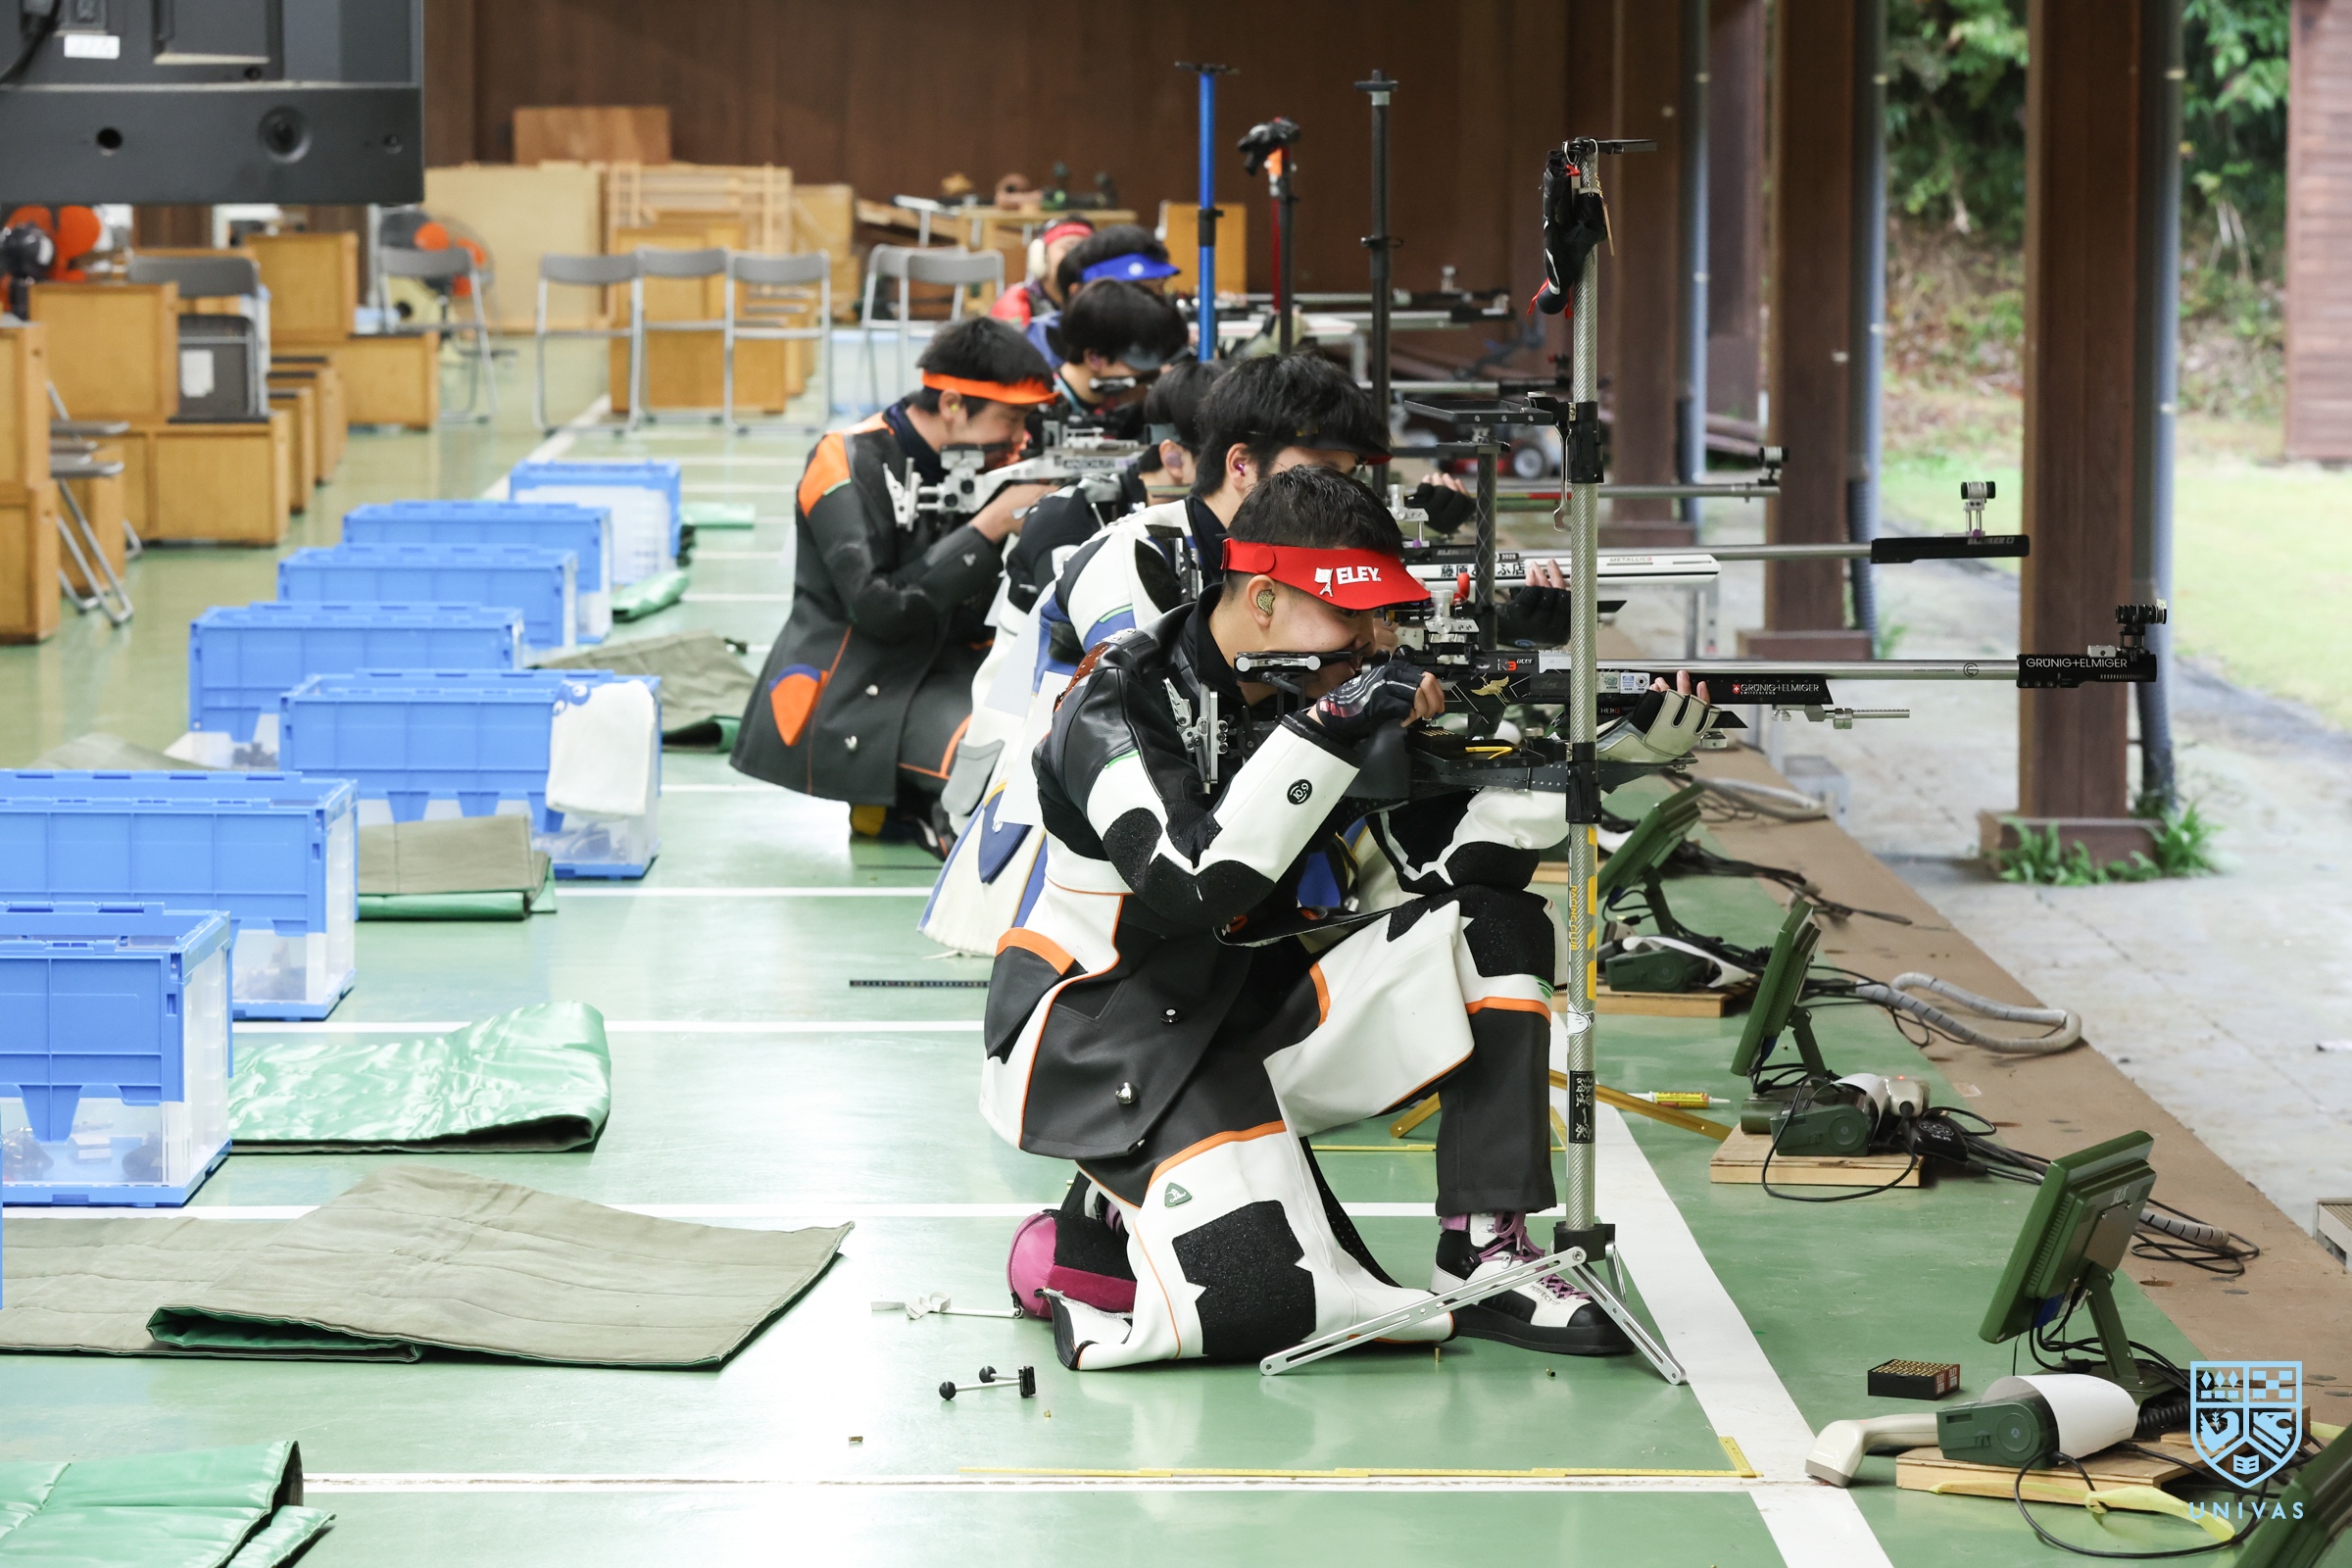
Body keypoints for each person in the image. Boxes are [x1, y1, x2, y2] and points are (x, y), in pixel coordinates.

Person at [981, 466, 1720, 1370]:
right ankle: (1097, 1224)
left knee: (1496, 923)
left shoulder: (1329, 694)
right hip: (1104, 1034)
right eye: (1352, 615)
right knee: (1263, 1301)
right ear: (1263, 600)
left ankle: (1485, 1252)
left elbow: (1453, 876)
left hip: (1248, 1005)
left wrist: (1617, 754)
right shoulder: (1118, 696)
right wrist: (1327, 729)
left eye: (1386, 616)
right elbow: (1188, 883)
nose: (1375, 640)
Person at [916, 353, 1381, 956]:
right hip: (1080, 855)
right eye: (1322, 470)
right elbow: (1152, 718)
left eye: (1349, 476)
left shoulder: (1267, 558)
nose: (1340, 493)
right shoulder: (1129, 556)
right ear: (1241, 464)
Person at [731, 317, 1059, 851]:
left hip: (948, 669)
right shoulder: (842, 459)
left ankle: (905, 805)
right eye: (1010, 418)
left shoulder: (993, 460)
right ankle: (908, 803)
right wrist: (992, 524)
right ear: (952, 404)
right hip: (861, 687)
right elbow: (876, 607)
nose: (1021, 438)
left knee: (1050, 741)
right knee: (1002, 764)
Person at [1045, 279, 1188, 432]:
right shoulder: (1040, 408)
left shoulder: (1128, 413)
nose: (1164, 373)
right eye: (1148, 374)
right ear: (1094, 358)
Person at [990, 216, 1095, 334]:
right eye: (1069, 248)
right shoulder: (1015, 304)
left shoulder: (1098, 302)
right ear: (1040, 256)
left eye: (1086, 251)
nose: (1078, 258)